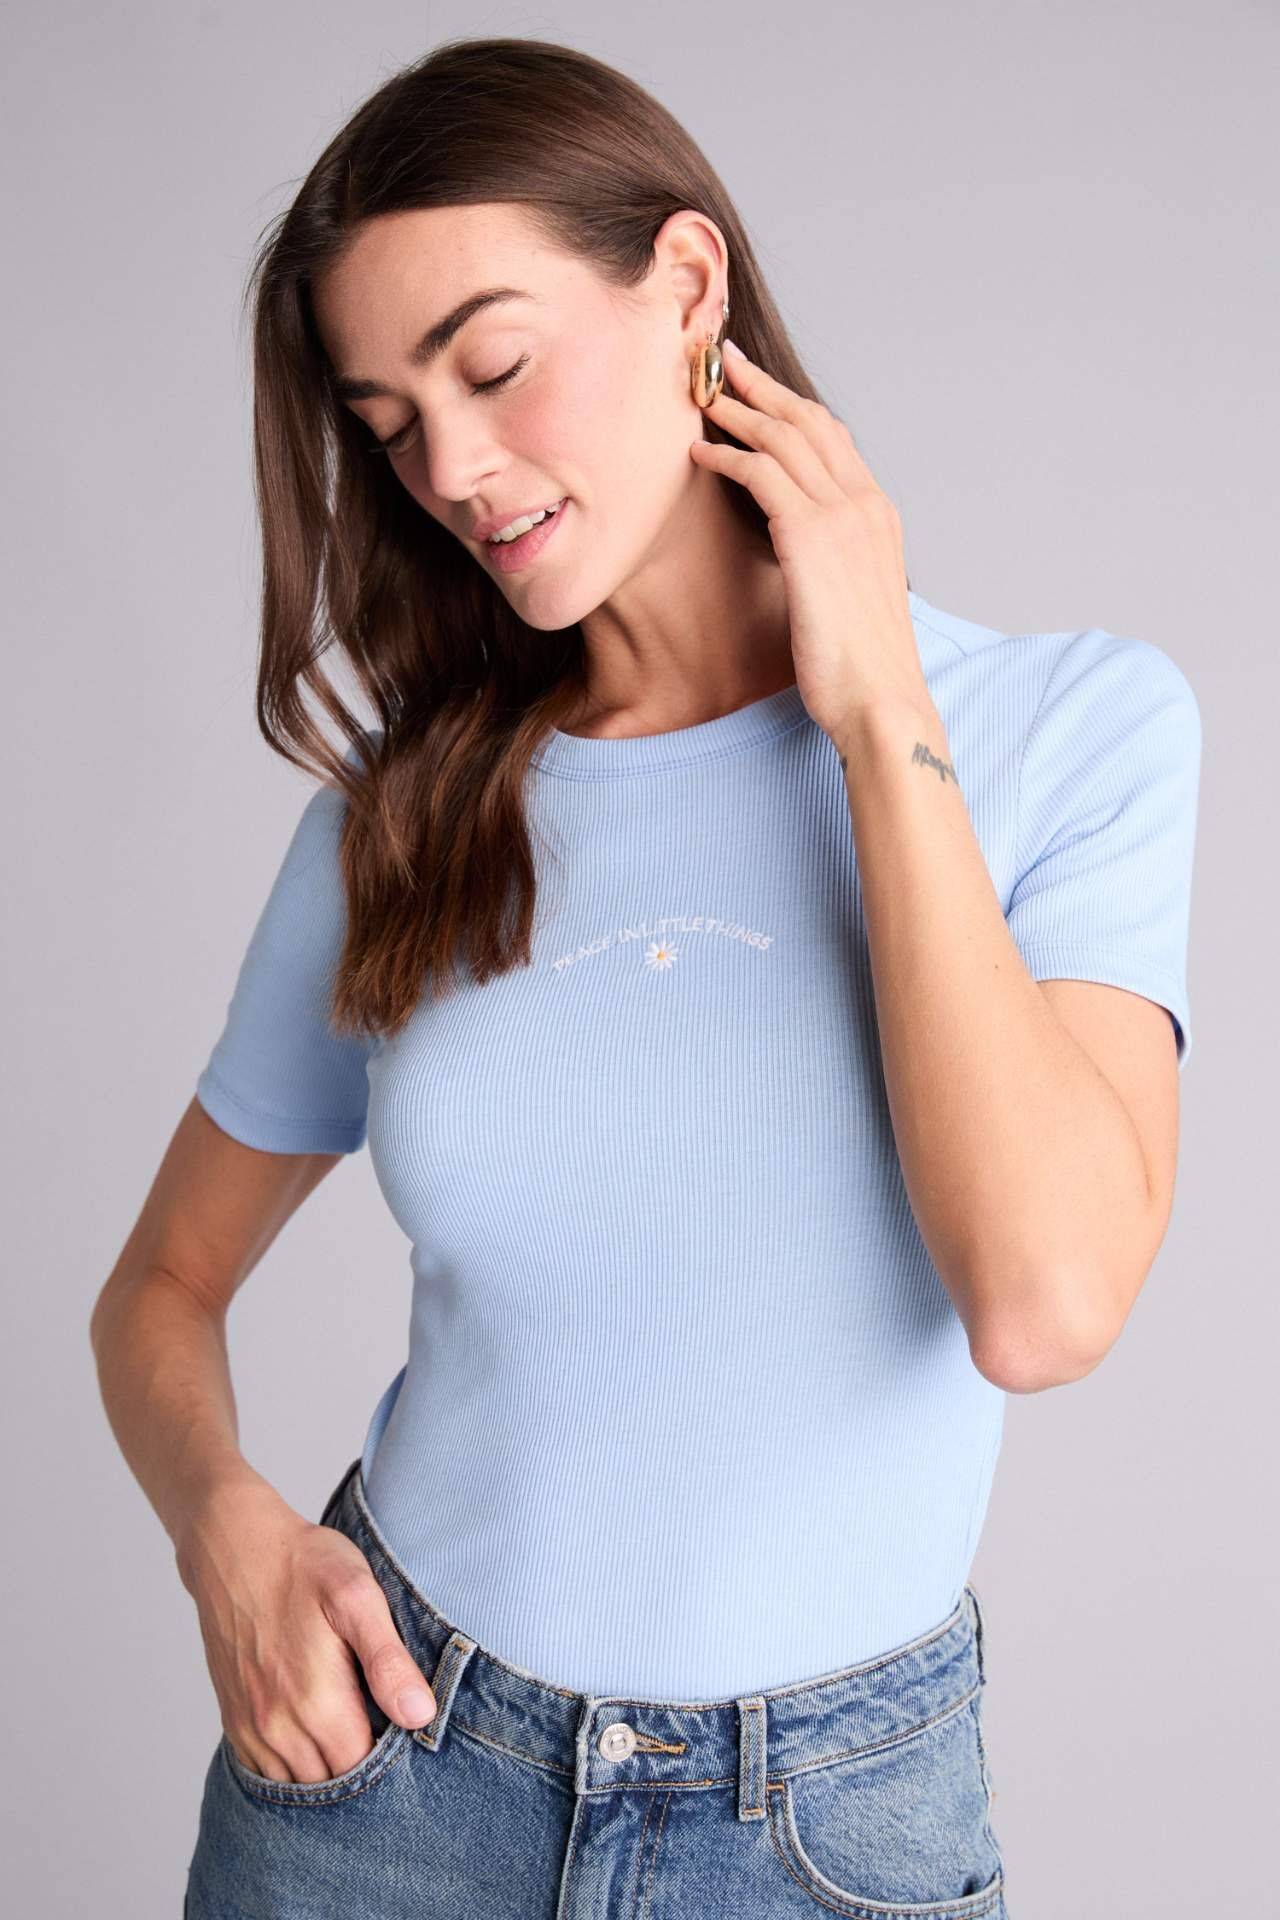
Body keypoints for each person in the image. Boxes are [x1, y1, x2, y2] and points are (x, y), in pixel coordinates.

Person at [90, 36, 1201, 1920]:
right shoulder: (406, 816)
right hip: (388, 1788)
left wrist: (873, 706)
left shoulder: (1067, 729)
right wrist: (229, 1537)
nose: (452, 469)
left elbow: (1045, 1300)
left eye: (494, 366)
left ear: (689, 285)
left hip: (825, 1837)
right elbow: (157, 1292)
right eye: (389, 422)